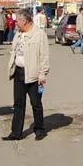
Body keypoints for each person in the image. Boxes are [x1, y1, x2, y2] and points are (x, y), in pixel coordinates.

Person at [3, 9, 49, 141]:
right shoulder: (18, 33)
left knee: (36, 103)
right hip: (19, 72)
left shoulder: (39, 35)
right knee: (18, 104)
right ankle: (16, 133)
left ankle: (39, 130)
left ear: (25, 21)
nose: (16, 23)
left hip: (34, 74)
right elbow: (14, 50)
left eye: (18, 20)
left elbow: (44, 55)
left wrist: (43, 73)